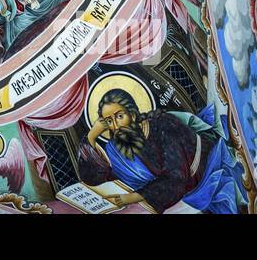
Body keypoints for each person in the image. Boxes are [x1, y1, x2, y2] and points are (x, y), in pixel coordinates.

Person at [78, 88, 238, 213]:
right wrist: (91, 136)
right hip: (174, 195)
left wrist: (131, 198)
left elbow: (176, 177)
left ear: (132, 115)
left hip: (203, 176)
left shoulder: (163, 126)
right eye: (108, 121)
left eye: (119, 116)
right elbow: (94, 179)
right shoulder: (118, 148)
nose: (115, 126)